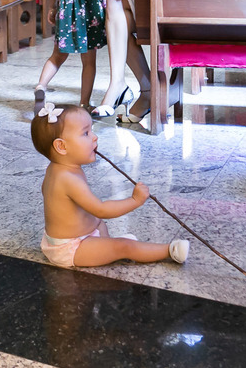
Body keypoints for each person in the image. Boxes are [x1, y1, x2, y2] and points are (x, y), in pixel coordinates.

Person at [31, 102, 189, 267]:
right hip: (71, 248)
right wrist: (135, 200)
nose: (94, 137)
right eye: (85, 133)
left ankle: (107, 248)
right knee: (124, 246)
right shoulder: (66, 178)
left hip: (81, 236)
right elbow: (101, 209)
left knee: (99, 223)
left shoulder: (58, 169)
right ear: (61, 146)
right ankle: (170, 251)